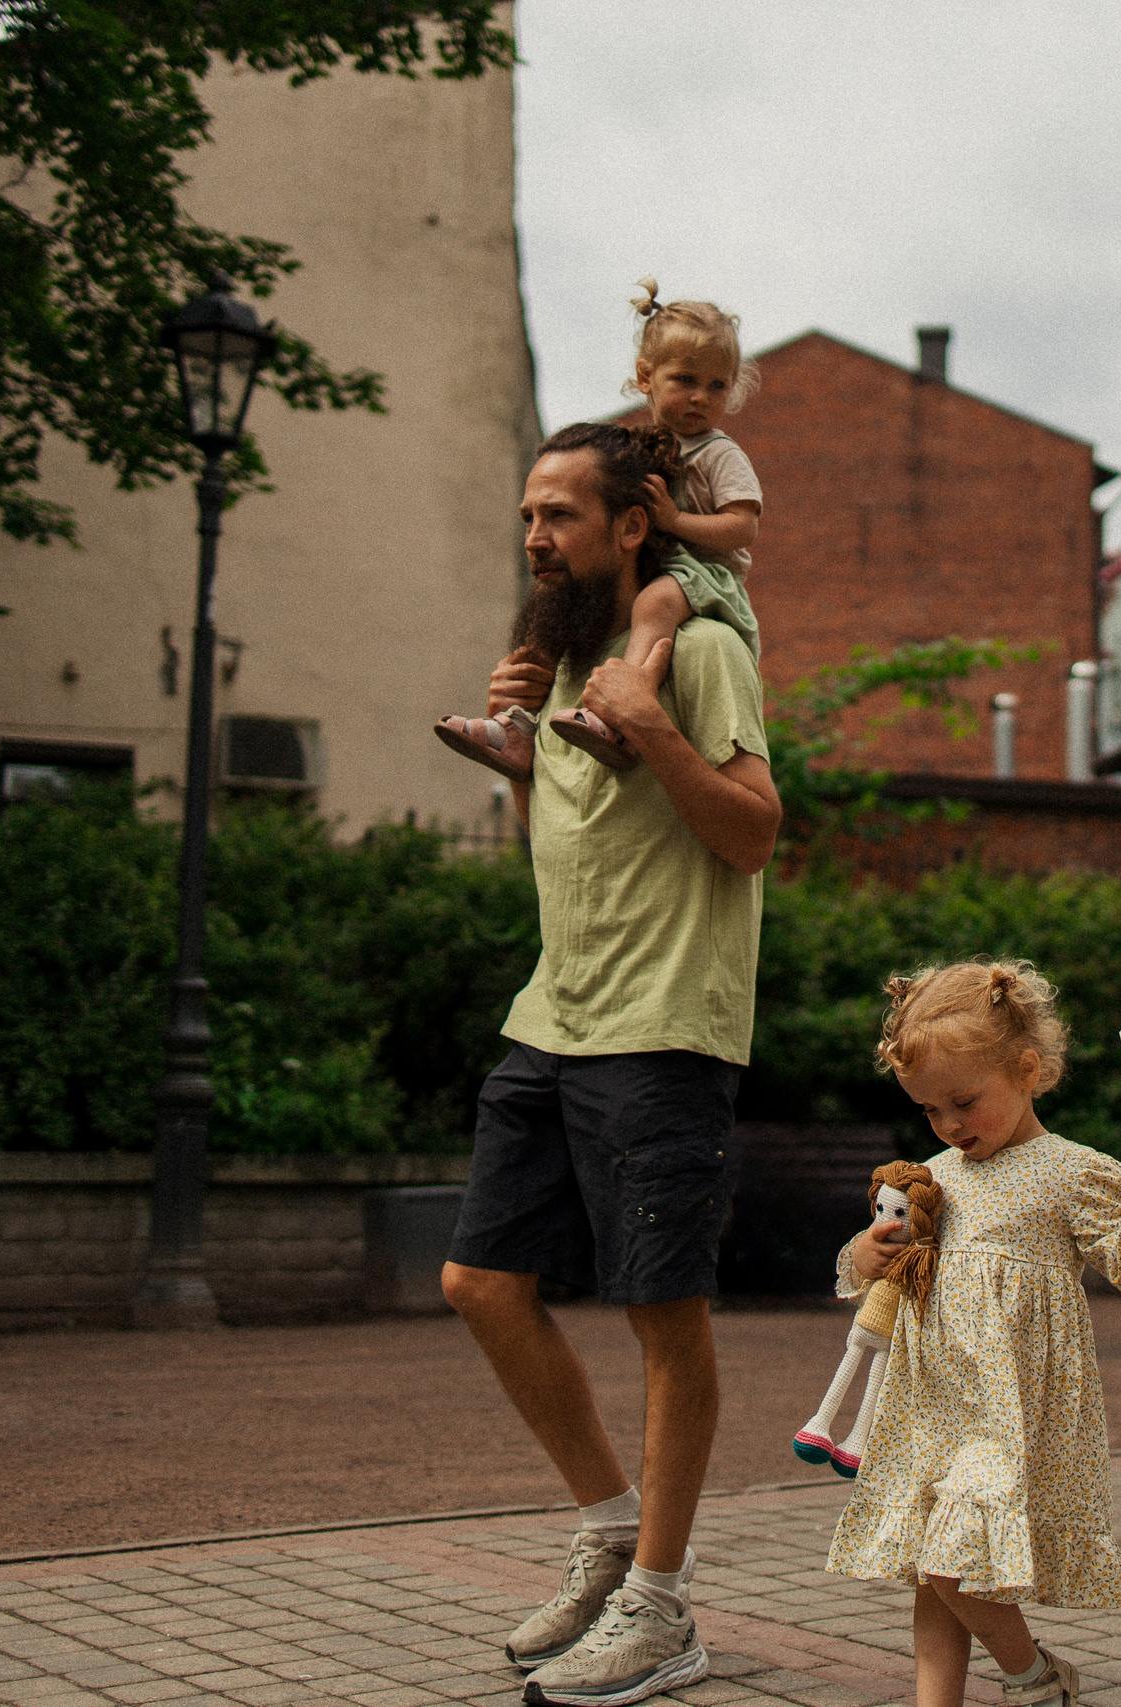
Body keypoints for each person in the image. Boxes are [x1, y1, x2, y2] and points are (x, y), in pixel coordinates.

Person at [438, 420, 781, 1707]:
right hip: (555, 1013)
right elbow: (570, 833)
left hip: (665, 1027)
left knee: (661, 1314)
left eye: (561, 517)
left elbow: (751, 833)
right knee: (479, 1282)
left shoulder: (697, 650)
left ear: (631, 526)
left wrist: (655, 723)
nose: (535, 537)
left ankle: (664, 1605)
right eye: (528, 514)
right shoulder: (574, 653)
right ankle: (607, 1529)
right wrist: (526, 756)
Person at [828, 961, 1121, 1707]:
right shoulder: (931, 1180)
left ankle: (1033, 1676)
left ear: (1028, 1069)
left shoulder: (1071, 1170)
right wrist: (863, 1254)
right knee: (928, 1565)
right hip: (929, 1407)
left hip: (1008, 1411)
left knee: (947, 1563)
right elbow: (882, 1276)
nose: (949, 1124)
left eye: (964, 1101)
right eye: (930, 1110)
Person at [438, 280, 763, 778]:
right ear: (645, 378)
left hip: (704, 576)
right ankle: (517, 727)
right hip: (659, 566)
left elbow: (743, 527)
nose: (701, 397)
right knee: (547, 619)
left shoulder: (718, 453)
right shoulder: (632, 446)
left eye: (717, 386)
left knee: (652, 603)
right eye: (685, 381)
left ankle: (617, 714)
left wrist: (675, 521)